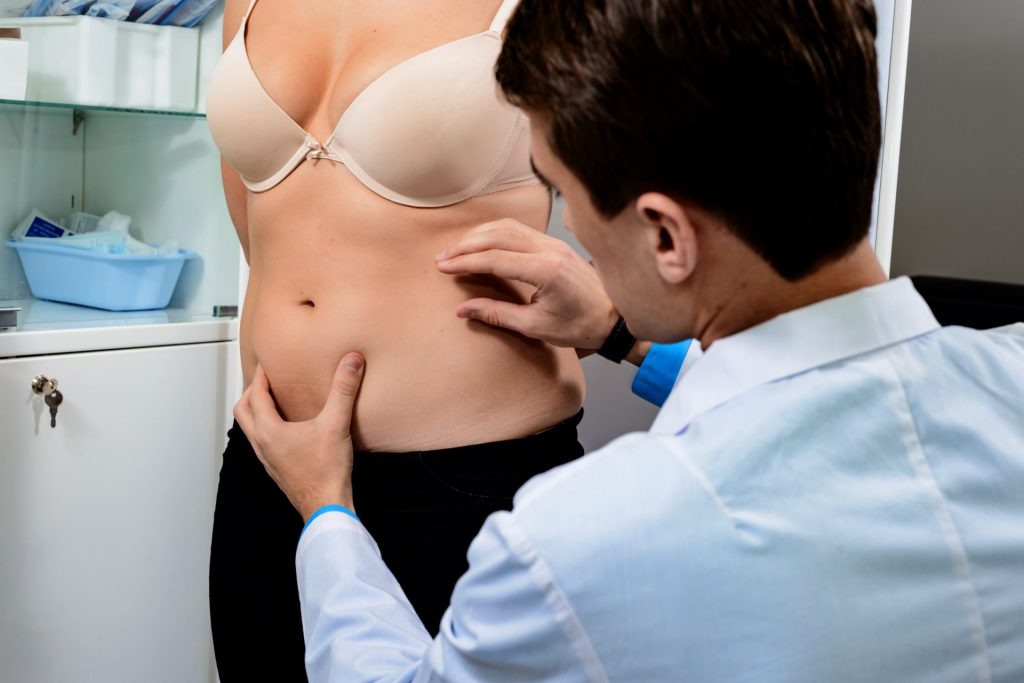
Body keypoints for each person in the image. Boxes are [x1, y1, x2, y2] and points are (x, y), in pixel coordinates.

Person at [235, 0, 1024, 680]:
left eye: (560, 191)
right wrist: (621, 333)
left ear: (666, 236)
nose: (569, 229)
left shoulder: (582, 549)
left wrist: (327, 515)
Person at [203, 0, 592, 678]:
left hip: (464, 476)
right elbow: (260, 236)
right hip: (275, 459)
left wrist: (613, 319)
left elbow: (674, 211)